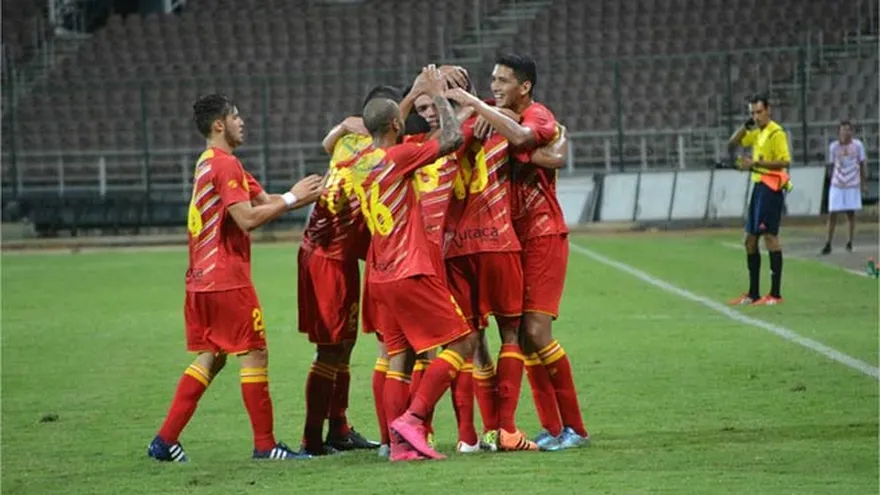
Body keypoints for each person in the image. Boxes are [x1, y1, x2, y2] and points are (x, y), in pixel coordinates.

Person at [147, 94, 324, 462]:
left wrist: (309, 194)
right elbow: (247, 218)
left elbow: (264, 201)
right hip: (225, 279)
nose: (242, 121)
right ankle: (265, 445)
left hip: (199, 279)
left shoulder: (210, 163)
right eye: (236, 116)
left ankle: (164, 441)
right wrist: (293, 199)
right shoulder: (225, 165)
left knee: (213, 356)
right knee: (254, 353)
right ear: (219, 125)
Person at [445, 52, 589, 450]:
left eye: (503, 81)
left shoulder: (538, 114)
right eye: (492, 80)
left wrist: (478, 107)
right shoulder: (496, 117)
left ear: (524, 87)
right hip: (510, 238)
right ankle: (552, 427)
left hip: (542, 233)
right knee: (524, 339)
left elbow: (526, 139)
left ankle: (575, 428)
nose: (495, 87)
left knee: (537, 331)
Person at [356, 65, 478, 461]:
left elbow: (384, 120)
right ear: (397, 122)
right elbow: (452, 137)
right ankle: (414, 418)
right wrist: (438, 93)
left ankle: (398, 447)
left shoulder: (363, 162)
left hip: (380, 275)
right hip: (411, 268)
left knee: (398, 357)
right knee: (464, 341)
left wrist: (413, 94)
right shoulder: (400, 156)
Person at [727, 94, 791, 306]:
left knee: (769, 237)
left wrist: (755, 164)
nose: (756, 116)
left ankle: (775, 294)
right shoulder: (758, 133)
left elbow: (785, 161)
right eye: (752, 112)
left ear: (768, 110)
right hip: (758, 187)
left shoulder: (776, 132)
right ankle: (753, 293)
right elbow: (733, 142)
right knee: (750, 240)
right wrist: (746, 125)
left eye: (758, 112)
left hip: (771, 187)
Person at [821, 120, 868, 255]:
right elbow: (831, 165)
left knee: (850, 214)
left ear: (852, 132)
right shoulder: (833, 147)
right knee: (832, 213)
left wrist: (863, 183)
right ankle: (828, 243)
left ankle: (850, 242)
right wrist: (831, 181)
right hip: (838, 183)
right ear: (838, 132)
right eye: (843, 130)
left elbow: (862, 163)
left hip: (852, 184)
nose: (845, 133)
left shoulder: (858, 145)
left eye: (848, 130)